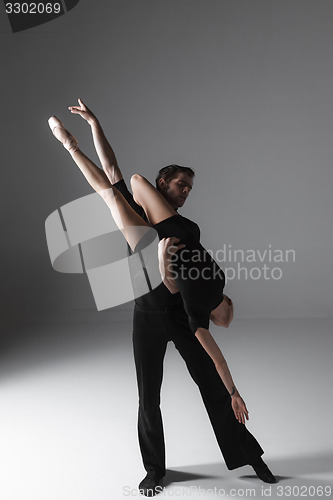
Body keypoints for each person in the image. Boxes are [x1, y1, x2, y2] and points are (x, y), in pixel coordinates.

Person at [48, 100, 277, 496]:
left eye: (190, 187)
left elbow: (193, 279)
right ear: (164, 183)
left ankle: (251, 456)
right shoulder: (140, 208)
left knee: (214, 387)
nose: (186, 191)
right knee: (148, 396)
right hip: (149, 315)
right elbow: (111, 170)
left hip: (183, 313)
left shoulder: (179, 224)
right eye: (180, 185)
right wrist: (90, 127)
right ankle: (154, 470)